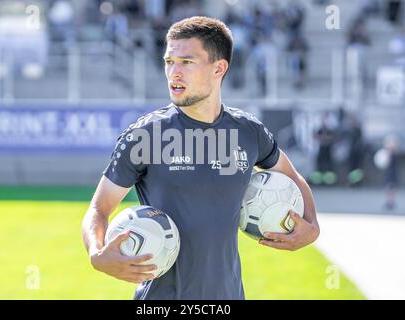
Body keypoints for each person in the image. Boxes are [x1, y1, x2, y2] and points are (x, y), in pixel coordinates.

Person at [81, 16, 320, 300]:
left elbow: (291, 178)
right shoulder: (146, 135)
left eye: (187, 62)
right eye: (169, 62)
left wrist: (313, 227)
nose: (174, 73)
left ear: (219, 68)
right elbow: (99, 208)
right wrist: (97, 253)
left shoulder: (248, 131)